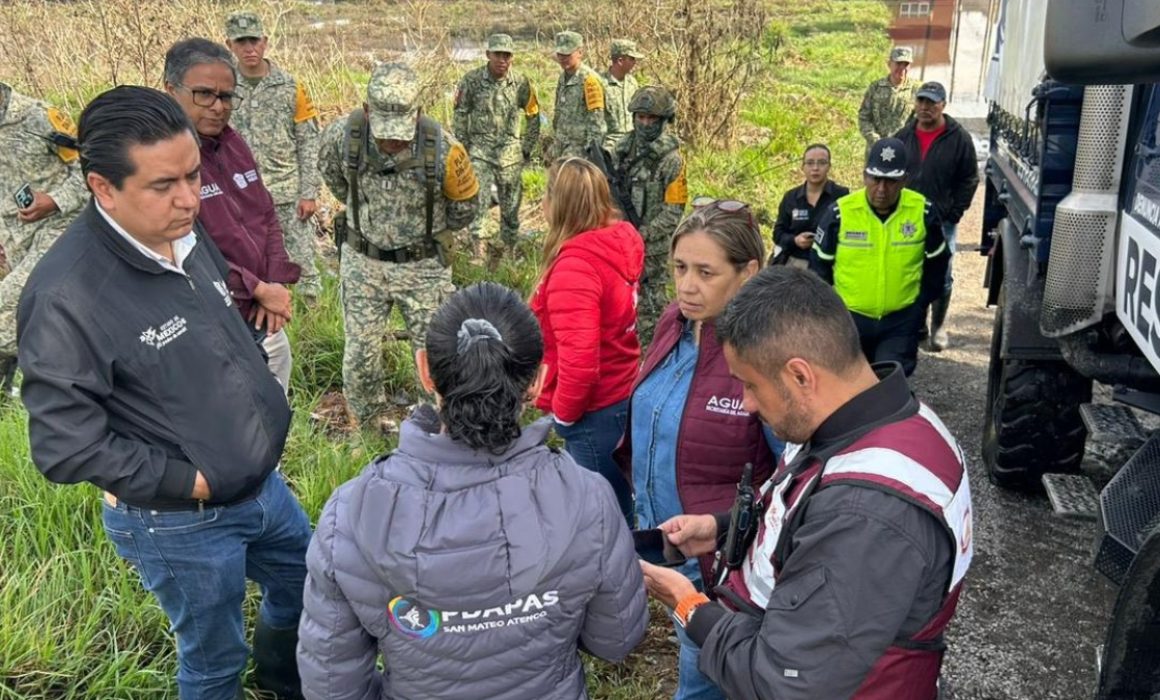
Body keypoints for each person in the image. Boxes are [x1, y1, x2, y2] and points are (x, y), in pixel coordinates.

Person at [17, 85, 311, 700]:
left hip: (263, 484)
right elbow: (65, 446)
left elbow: (214, 325)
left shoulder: (184, 233)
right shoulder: (67, 296)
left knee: (310, 586)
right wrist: (190, 483)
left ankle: (288, 683)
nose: (189, 200)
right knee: (213, 659)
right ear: (103, 188)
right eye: (163, 185)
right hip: (181, 520)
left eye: (193, 176)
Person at [297, 282, 648, 700]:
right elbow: (615, 638)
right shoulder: (588, 496)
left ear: (425, 370)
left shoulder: (350, 514)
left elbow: (333, 687)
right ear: (538, 380)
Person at [640, 266, 973, 700]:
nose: (747, 403)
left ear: (801, 376)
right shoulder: (861, 420)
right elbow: (803, 512)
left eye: (750, 385)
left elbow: (785, 682)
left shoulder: (867, 513)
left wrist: (688, 604)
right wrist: (723, 528)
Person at [614, 199, 779, 700]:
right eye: (680, 268)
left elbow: (799, 476)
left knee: (700, 681)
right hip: (665, 541)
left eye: (706, 272)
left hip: (721, 565)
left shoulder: (765, 356)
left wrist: (730, 530)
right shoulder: (674, 323)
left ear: (748, 272)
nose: (687, 285)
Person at [319, 62, 479, 433]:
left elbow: (465, 207)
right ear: (368, 109)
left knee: (435, 354)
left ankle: (438, 429)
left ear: (418, 113)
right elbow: (334, 179)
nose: (392, 141)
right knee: (360, 353)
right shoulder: (342, 137)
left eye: (401, 132)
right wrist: (367, 217)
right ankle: (368, 425)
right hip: (363, 263)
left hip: (422, 269)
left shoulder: (445, 150)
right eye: (384, 131)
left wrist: (424, 235)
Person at [164, 38, 301, 392]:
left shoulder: (233, 143)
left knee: (273, 411)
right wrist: (256, 287)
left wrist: (272, 282)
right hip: (208, 319)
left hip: (257, 312)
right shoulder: (163, 161)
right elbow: (181, 250)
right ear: (170, 90)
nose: (218, 107)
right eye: (204, 94)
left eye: (226, 97)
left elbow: (264, 212)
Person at [529, 157, 642, 520]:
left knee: (602, 516)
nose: (541, 205)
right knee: (619, 502)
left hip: (593, 411)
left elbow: (580, 362)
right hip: (623, 391)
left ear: (557, 204)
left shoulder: (576, 268)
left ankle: (620, 575)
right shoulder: (616, 244)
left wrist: (564, 416)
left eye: (545, 197)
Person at [811, 137, 948, 376]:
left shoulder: (923, 212)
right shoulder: (840, 213)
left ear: (904, 180)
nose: (882, 189)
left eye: (891, 181)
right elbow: (819, 269)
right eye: (876, 179)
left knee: (888, 388)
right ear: (865, 176)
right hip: (849, 322)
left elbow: (938, 263)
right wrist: (831, 313)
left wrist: (918, 306)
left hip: (900, 321)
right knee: (849, 389)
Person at [226, 10, 324, 302]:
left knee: (302, 260)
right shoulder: (224, 88)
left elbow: (309, 142)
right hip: (239, 193)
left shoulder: (291, 87)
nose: (249, 48)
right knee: (249, 258)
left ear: (265, 41)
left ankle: (312, 314)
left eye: (254, 40)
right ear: (229, 44)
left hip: (287, 192)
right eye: (241, 41)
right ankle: (260, 310)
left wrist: (309, 192)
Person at [0, 80, 88, 386]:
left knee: (9, 305)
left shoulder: (39, 116)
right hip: (13, 243)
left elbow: (90, 168)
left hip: (60, 231)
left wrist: (54, 201)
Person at [894, 81, 978, 351]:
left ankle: (938, 327)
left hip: (941, 220)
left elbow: (969, 178)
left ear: (943, 104)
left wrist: (954, 212)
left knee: (941, 274)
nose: (925, 107)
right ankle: (916, 324)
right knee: (909, 272)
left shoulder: (959, 138)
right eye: (921, 101)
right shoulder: (903, 136)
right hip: (906, 218)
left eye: (931, 102)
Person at [453, 33, 540, 268]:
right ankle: (479, 251)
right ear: (488, 55)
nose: (502, 59)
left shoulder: (522, 82)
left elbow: (533, 116)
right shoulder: (470, 81)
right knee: (478, 202)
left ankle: (510, 251)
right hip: (480, 153)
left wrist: (526, 148)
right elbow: (460, 114)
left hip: (511, 155)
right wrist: (465, 148)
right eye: (497, 54)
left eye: (507, 55)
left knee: (511, 206)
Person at [612, 85, 687, 348]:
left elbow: (674, 212)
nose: (644, 124)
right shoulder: (620, 150)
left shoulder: (672, 160)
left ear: (664, 121)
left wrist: (641, 235)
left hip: (652, 251)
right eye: (640, 117)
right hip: (619, 243)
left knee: (655, 312)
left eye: (651, 119)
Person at [769, 143, 848, 268]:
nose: (815, 168)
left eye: (822, 163)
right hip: (796, 263)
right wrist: (795, 240)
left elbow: (848, 231)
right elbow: (778, 233)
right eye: (810, 163)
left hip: (830, 264)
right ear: (803, 167)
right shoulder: (791, 197)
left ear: (829, 166)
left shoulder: (841, 195)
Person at [548, 31, 607, 161]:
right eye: (560, 54)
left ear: (580, 52)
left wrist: (591, 152)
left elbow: (597, 123)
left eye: (567, 54)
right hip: (561, 145)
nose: (563, 58)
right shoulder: (563, 78)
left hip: (579, 150)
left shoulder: (590, 81)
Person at [858, 46, 919, 152]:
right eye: (898, 64)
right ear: (889, 64)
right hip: (875, 149)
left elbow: (918, 122)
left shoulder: (916, 90)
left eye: (906, 64)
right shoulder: (875, 87)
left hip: (903, 150)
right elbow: (864, 117)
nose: (902, 68)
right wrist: (875, 140)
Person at [602, 38, 643, 151]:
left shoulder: (632, 83)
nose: (635, 62)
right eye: (632, 59)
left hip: (632, 143)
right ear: (620, 60)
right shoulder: (600, 84)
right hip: (608, 145)